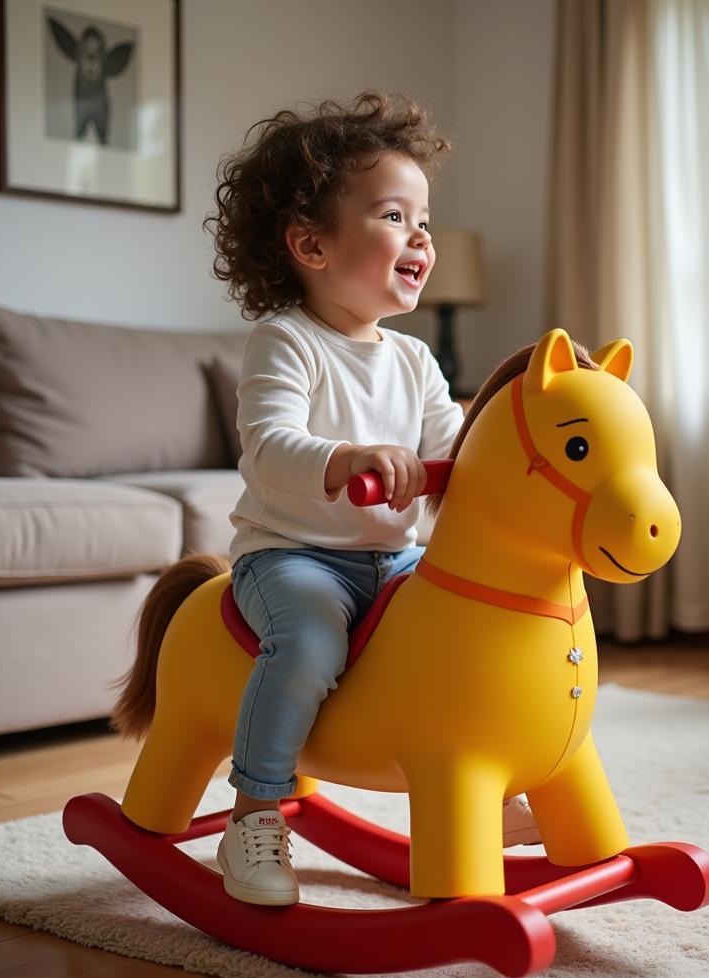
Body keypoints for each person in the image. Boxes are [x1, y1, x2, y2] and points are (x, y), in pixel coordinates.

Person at [204, 92, 539, 906]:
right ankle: (253, 815)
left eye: (424, 221)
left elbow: (447, 459)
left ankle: (479, 789)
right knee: (310, 645)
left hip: (393, 557)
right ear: (311, 243)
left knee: (466, 632)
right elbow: (270, 448)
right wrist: (347, 457)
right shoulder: (287, 340)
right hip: (294, 557)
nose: (421, 237)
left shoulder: (416, 362)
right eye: (395, 215)